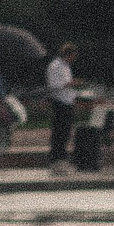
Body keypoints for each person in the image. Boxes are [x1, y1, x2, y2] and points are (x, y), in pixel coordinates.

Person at [44, 41, 81, 177]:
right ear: (68, 54)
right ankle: (56, 161)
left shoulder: (65, 66)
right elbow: (53, 85)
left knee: (65, 133)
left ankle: (62, 159)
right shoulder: (56, 66)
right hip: (59, 102)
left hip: (67, 102)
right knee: (59, 133)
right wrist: (70, 83)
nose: (74, 59)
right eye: (73, 56)